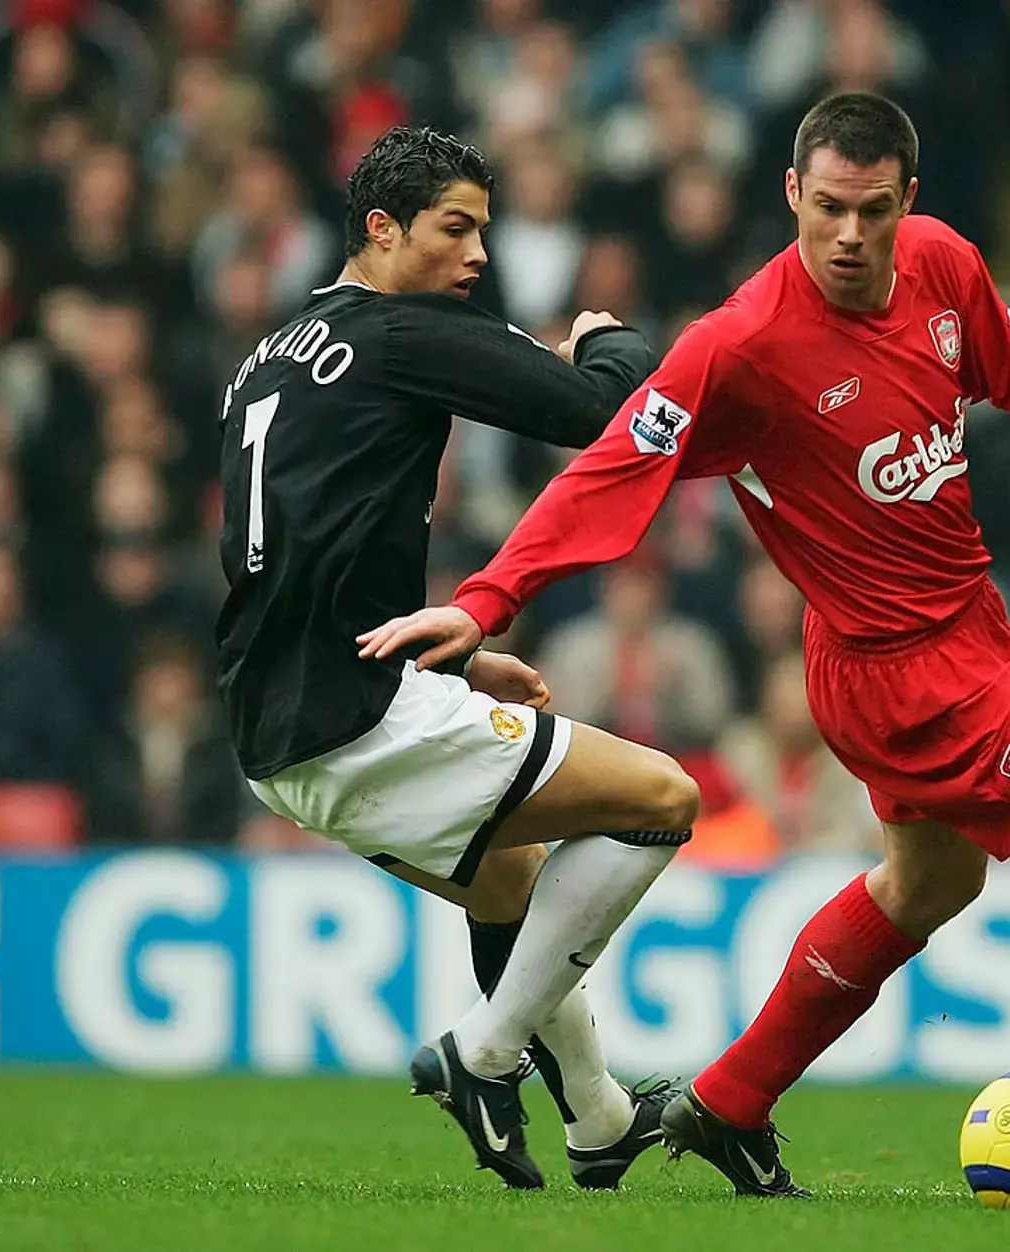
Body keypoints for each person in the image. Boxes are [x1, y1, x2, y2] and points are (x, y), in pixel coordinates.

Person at [359, 95, 1010, 1206]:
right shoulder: (739, 345)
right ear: (793, 195)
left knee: (930, 882)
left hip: (964, 635)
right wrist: (491, 597)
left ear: (906, 205)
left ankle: (731, 1101)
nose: (847, 235)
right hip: (900, 675)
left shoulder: (940, 264)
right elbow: (606, 472)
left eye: (871, 211)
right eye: (826, 208)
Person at [216, 126, 698, 1192]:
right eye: (456, 227)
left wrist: (450, 657)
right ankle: (483, 1059)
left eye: (485, 228)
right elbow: (607, 412)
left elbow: (291, 552)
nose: (479, 254)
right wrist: (606, 339)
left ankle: (600, 1118)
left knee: (507, 880)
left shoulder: (267, 358)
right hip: (353, 716)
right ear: (382, 231)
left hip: (272, 732)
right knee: (661, 797)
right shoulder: (400, 332)